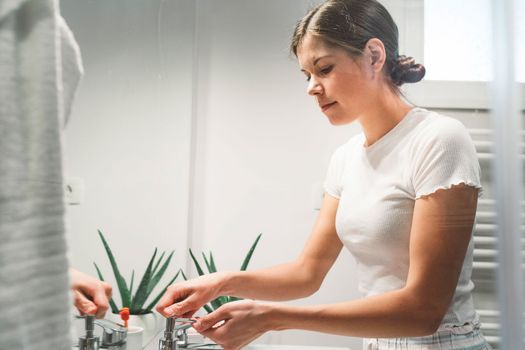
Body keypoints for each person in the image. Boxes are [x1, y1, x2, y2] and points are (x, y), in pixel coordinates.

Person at [156, 1, 491, 349]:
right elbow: (306, 273)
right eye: (307, 75)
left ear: (374, 56)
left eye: (324, 68)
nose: (311, 87)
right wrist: (221, 282)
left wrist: (274, 317)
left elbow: (424, 311)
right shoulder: (346, 158)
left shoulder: (439, 140)